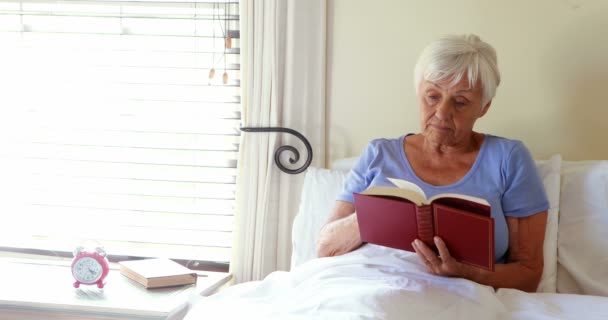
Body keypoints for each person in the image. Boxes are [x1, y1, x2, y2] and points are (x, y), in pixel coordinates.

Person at [316, 34, 548, 292]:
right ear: (419, 92)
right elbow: (325, 247)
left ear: (483, 107)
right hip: (367, 284)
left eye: (460, 102)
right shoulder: (378, 153)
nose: (441, 113)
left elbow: (528, 275)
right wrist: (378, 215)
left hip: (456, 294)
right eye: (432, 96)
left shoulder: (508, 158)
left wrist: (465, 272)